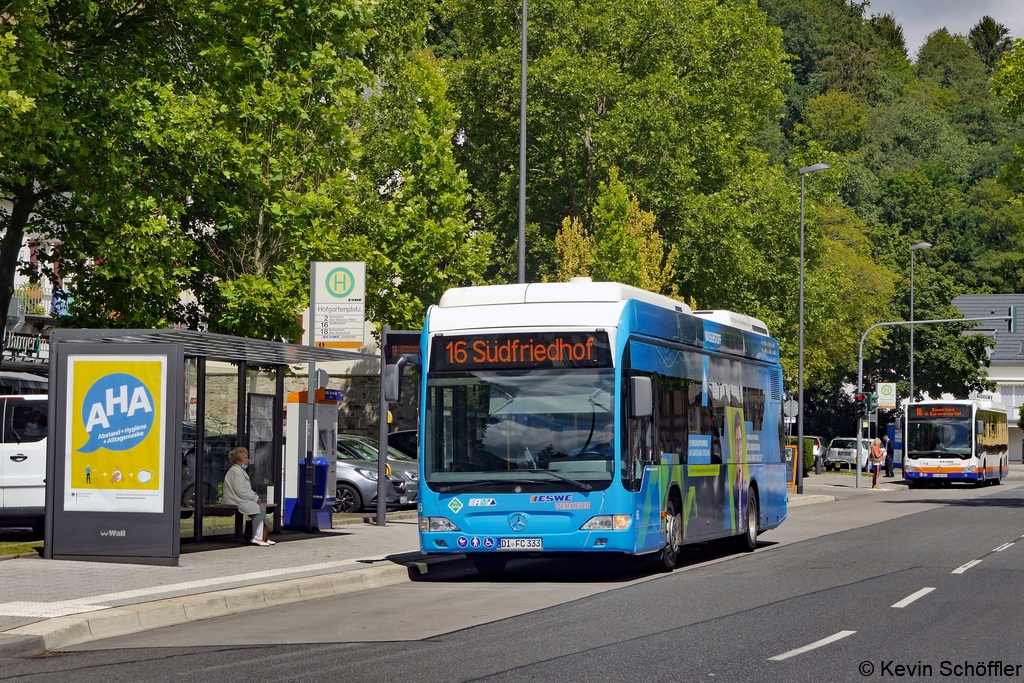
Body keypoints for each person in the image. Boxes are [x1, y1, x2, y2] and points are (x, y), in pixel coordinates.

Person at [224, 447, 274, 546]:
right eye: (245, 458)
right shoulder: (236, 471)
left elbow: (246, 489)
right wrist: (254, 498)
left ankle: (263, 536)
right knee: (257, 508)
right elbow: (240, 490)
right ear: (238, 461)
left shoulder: (239, 471)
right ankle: (257, 537)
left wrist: (255, 498)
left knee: (262, 508)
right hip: (235, 500)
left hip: (239, 499)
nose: (248, 460)